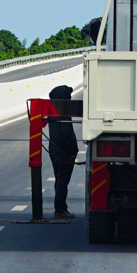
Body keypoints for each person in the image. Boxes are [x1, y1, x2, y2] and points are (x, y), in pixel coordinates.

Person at [47, 84, 79, 220]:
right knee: (62, 182)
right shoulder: (63, 112)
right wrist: (73, 150)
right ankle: (59, 209)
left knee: (59, 180)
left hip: (54, 150)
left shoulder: (51, 112)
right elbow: (66, 133)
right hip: (64, 152)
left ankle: (61, 208)